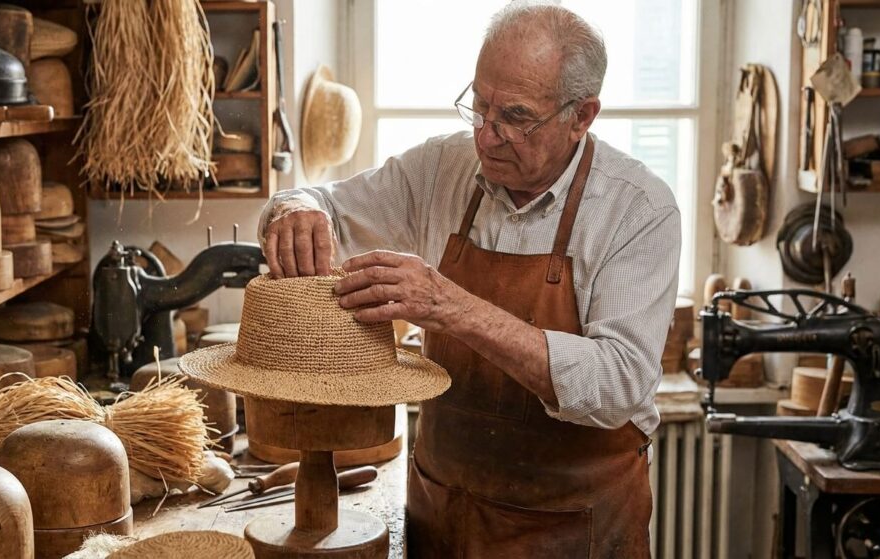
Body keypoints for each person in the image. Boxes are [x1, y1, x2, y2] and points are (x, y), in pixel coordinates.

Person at [257, 2, 680, 557]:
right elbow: (326, 203)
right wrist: (293, 209)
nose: (486, 135)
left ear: (582, 116)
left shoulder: (639, 210)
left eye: (516, 116)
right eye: (479, 104)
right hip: (444, 513)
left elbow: (619, 384)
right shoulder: (444, 169)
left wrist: (450, 307)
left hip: (573, 528)